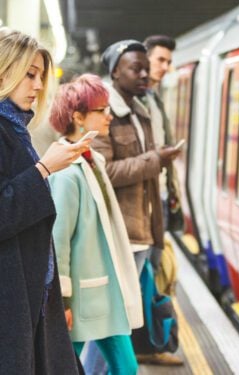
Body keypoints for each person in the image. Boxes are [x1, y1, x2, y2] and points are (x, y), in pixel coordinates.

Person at [0, 28, 90, 374]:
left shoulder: (15, 128)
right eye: (30, 74)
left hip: (30, 290)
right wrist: (43, 169)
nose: (38, 86)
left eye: (40, 76)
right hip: (10, 295)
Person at [92, 39, 182, 366]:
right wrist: (154, 160)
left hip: (141, 232)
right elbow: (105, 171)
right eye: (136, 68)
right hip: (120, 235)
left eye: (147, 68)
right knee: (111, 324)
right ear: (115, 71)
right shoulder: (106, 115)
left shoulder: (140, 111)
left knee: (118, 323)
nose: (145, 74)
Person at [48, 74, 143, 375]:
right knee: (65, 366)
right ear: (78, 117)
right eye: (101, 110)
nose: (109, 116)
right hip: (82, 297)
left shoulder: (92, 160)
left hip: (104, 291)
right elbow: (58, 239)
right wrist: (62, 300)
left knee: (125, 367)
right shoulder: (66, 174)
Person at [143, 34, 184, 236]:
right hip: (145, 199)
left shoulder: (154, 99)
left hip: (161, 193)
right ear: (144, 59)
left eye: (168, 62)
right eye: (160, 60)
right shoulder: (135, 100)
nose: (165, 67)